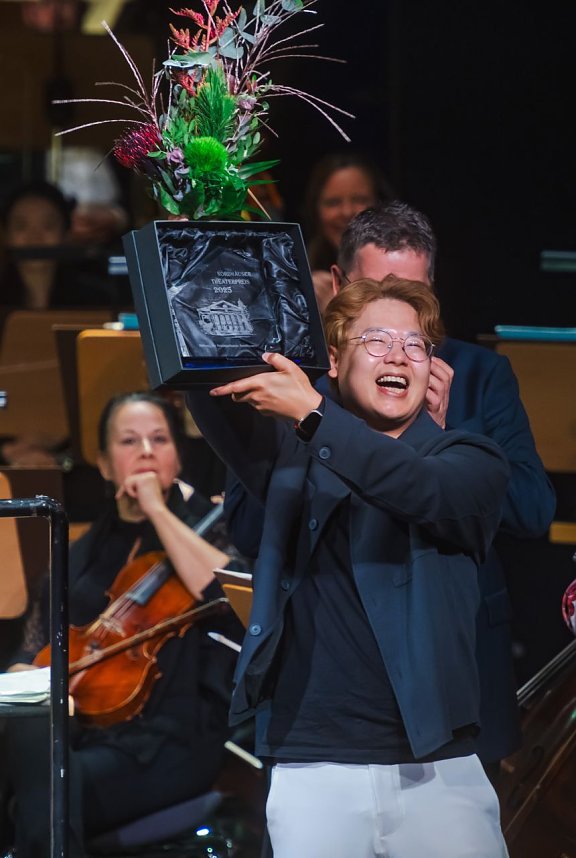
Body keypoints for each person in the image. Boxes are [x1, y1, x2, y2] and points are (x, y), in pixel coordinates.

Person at [225, 201, 557, 776]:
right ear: (338, 288)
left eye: (413, 296)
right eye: (375, 299)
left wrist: (433, 441)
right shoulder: (297, 392)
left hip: (451, 681)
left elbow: (530, 509)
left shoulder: (477, 378)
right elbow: (252, 528)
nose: (397, 336)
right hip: (324, 703)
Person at [186, 276, 510, 857]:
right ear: (333, 361)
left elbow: (417, 488)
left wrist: (314, 414)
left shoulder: (470, 460)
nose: (398, 356)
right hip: (313, 766)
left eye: (415, 345)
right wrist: (201, 276)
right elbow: (214, 383)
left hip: (438, 770)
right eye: (377, 341)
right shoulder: (289, 458)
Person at [0, 391, 243, 858]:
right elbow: (34, 647)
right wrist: (20, 670)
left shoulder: (212, 530)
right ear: (105, 464)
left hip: (171, 741)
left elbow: (227, 596)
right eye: (129, 441)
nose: (146, 451)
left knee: (43, 792)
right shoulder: (77, 553)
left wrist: (158, 510)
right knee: (34, 733)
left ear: (178, 458)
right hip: (81, 733)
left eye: (159, 440)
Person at [0, 180, 115, 310]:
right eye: (21, 226)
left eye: (47, 225)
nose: (35, 237)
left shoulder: (97, 300)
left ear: (65, 233)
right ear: (6, 235)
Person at [303, 152, 393, 313]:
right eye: (333, 202)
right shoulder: (299, 272)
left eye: (360, 200)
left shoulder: (403, 271)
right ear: (315, 210)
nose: (346, 212)